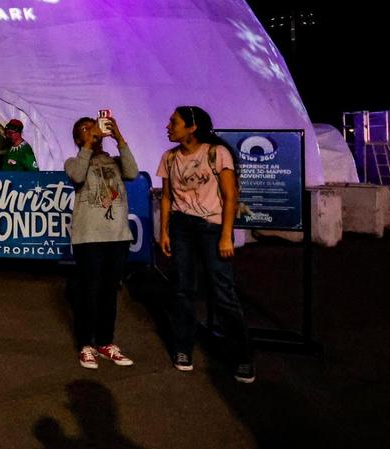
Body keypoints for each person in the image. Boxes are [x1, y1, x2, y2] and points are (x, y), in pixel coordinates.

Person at [156, 105, 254, 383]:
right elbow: (166, 198)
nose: (168, 126)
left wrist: (226, 234)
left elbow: (230, 196)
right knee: (183, 290)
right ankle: (183, 347)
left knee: (222, 291)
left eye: (174, 122)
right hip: (181, 227)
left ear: (192, 127)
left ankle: (242, 356)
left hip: (212, 228)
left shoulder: (216, 153)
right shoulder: (170, 157)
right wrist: (164, 232)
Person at [64, 115, 138, 369]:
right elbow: (76, 176)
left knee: (109, 291)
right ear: (77, 138)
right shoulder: (73, 161)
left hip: (117, 236)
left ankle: (106, 341)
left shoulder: (115, 162)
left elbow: (133, 171)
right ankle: (86, 344)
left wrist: (118, 137)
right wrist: (87, 144)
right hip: (89, 237)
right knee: (89, 291)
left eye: (94, 128)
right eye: (85, 130)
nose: (93, 132)